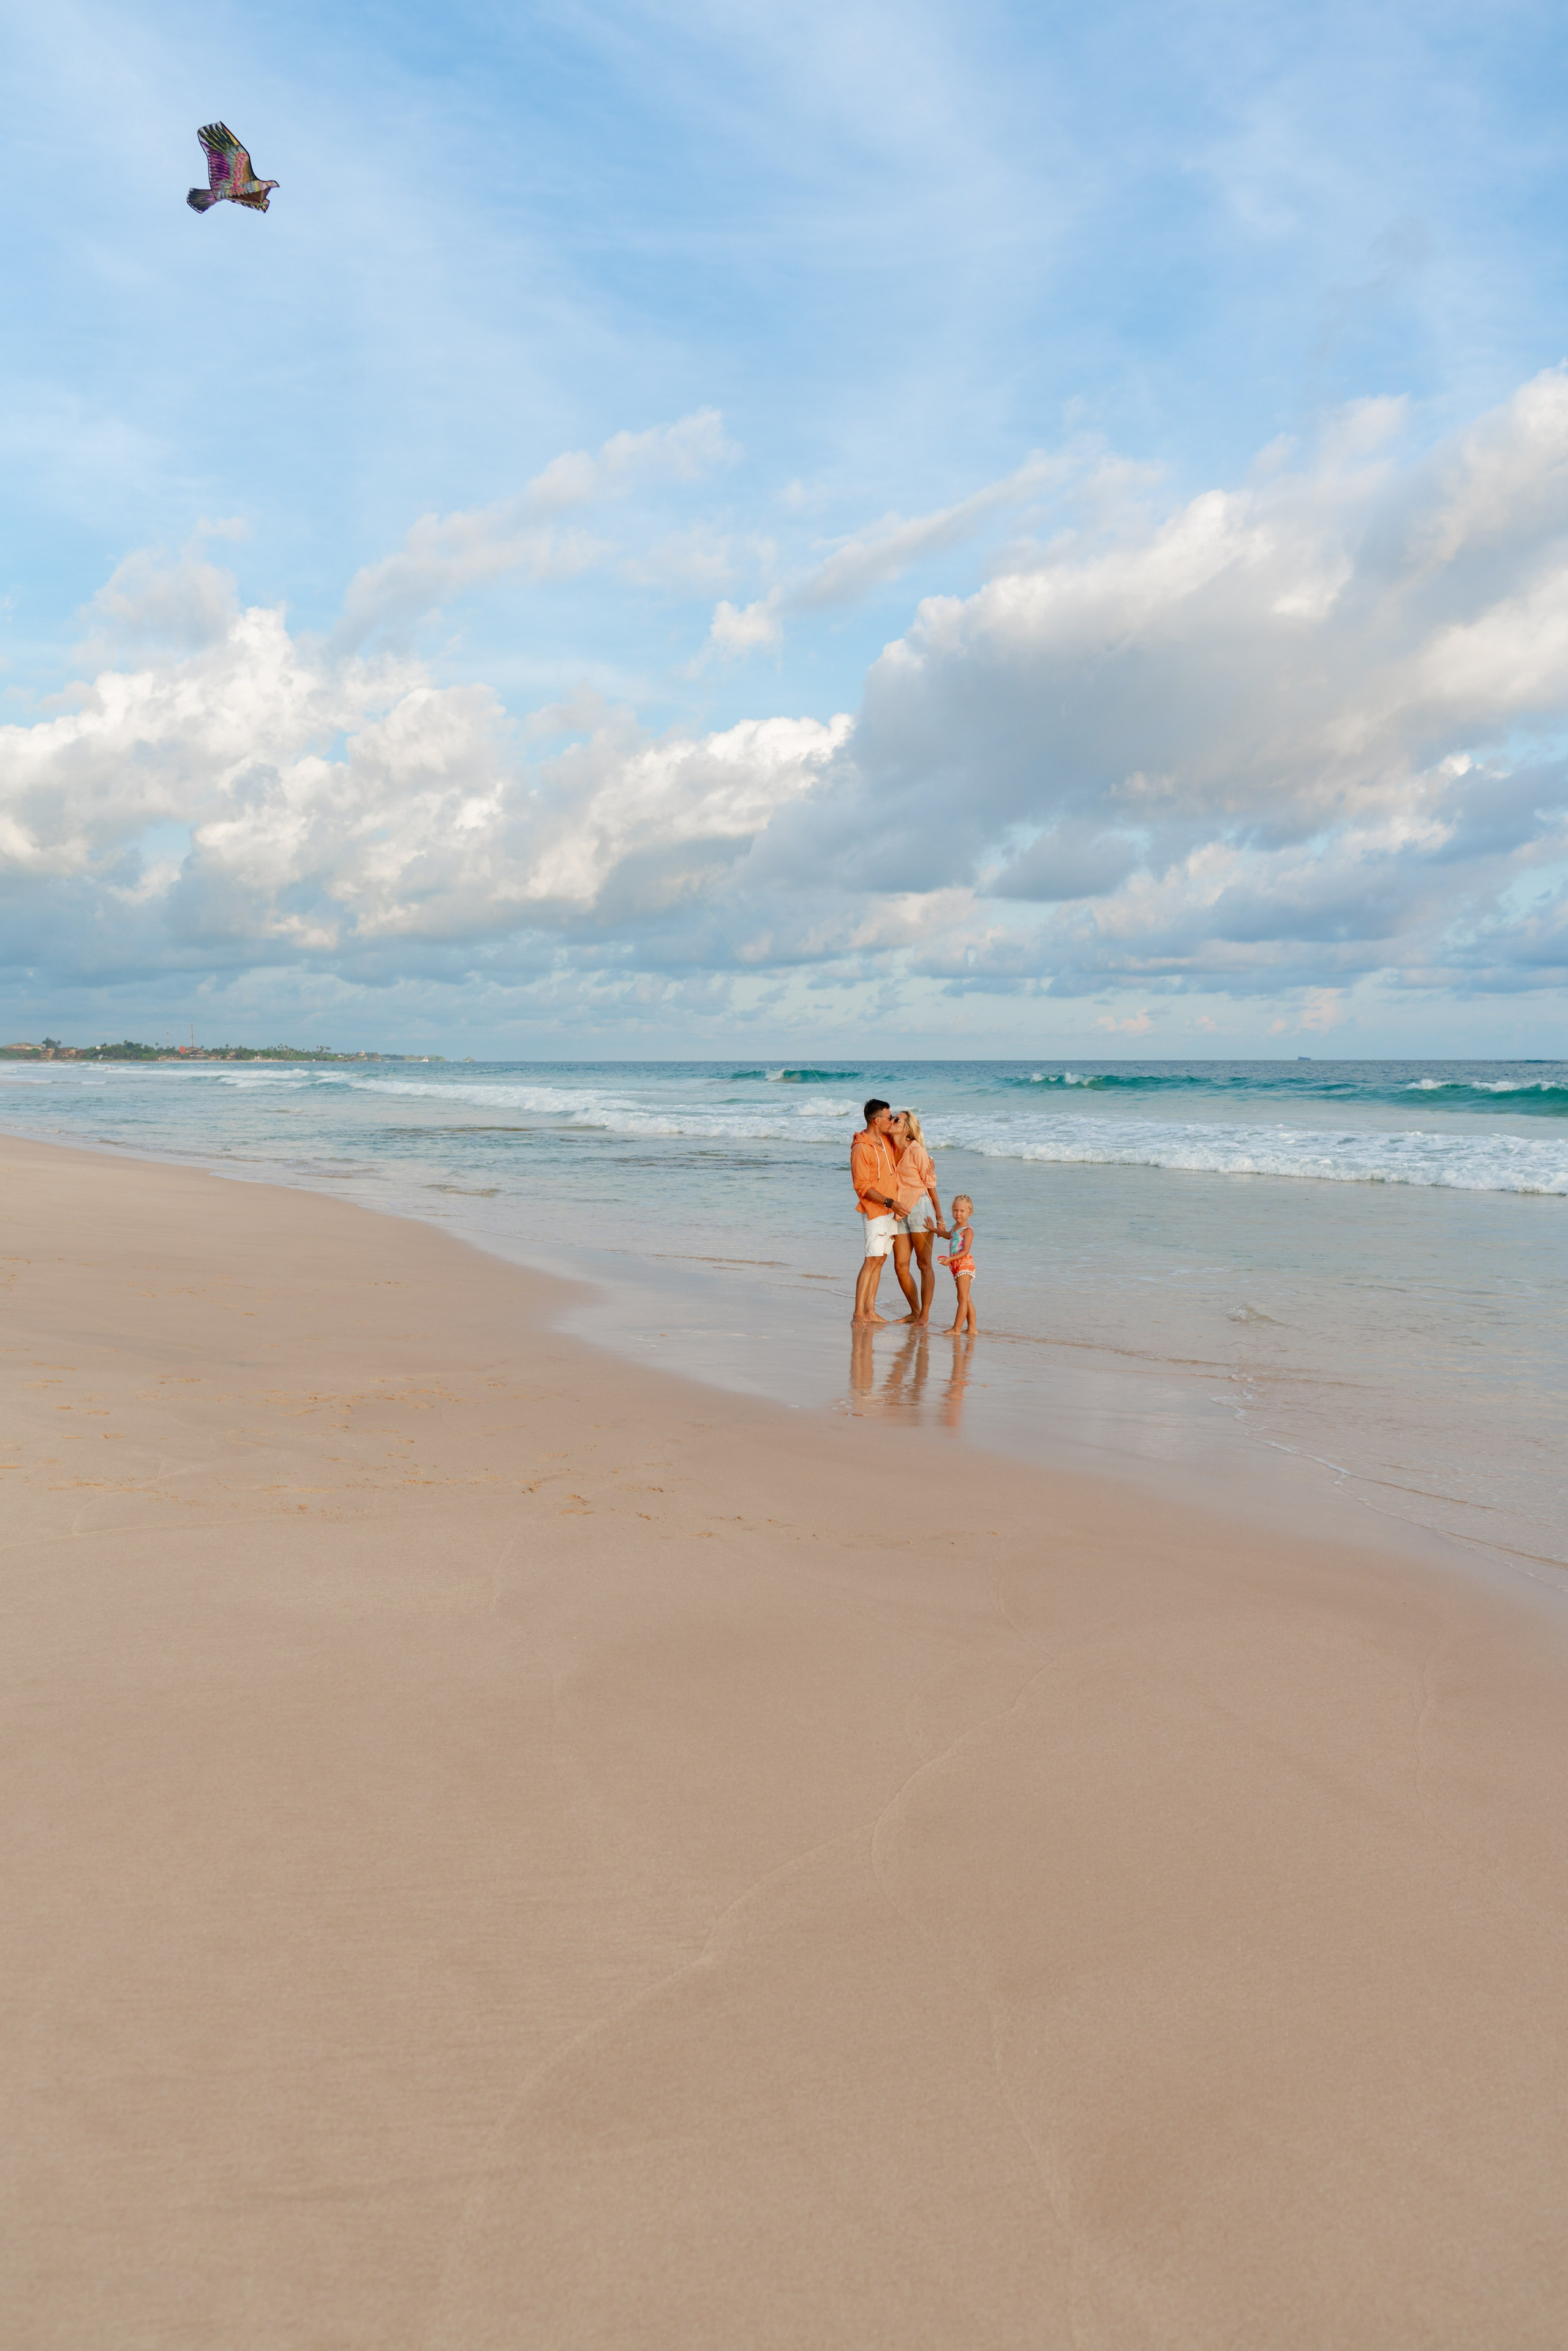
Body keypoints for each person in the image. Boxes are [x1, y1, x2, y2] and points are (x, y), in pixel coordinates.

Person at [889, 1109, 946, 1325]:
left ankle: (925, 1315)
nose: (892, 1121)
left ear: (907, 1128)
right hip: (898, 1212)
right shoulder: (887, 1147)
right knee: (900, 1267)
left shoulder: (916, 1150)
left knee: (924, 1265)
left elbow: (930, 1186)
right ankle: (914, 1311)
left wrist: (940, 1218)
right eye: (892, 1117)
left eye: (897, 1120)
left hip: (920, 1209)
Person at [850, 1099, 900, 1325]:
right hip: (876, 1211)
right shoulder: (861, 1148)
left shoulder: (885, 1141)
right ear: (877, 1120)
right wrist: (890, 1202)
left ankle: (870, 1311)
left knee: (880, 1260)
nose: (892, 1121)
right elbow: (862, 1186)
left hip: (890, 1211)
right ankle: (858, 1314)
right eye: (890, 1118)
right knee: (871, 1261)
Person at [939, 1194, 979, 1334]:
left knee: (962, 1298)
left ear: (970, 1213)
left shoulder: (968, 1230)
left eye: (962, 1211)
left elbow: (965, 1251)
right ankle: (972, 1329)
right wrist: (932, 1229)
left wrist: (950, 1259)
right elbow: (948, 1235)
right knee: (966, 1298)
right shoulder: (955, 1227)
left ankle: (956, 1329)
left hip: (964, 1265)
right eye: (955, 1210)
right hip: (956, 1266)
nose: (958, 1214)